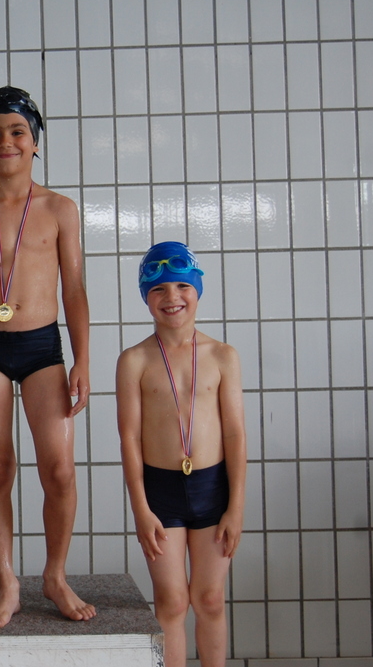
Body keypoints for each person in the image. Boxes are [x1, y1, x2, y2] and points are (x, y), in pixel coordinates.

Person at [0, 86, 94, 626]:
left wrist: (82, 360)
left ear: (35, 142)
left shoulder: (59, 209)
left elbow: (74, 290)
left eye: (17, 132)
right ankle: (7, 583)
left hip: (41, 347)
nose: (5, 141)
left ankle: (55, 575)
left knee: (59, 471)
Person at [116, 241, 245, 667]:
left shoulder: (223, 356)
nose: (171, 297)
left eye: (181, 286)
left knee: (209, 598)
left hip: (213, 489)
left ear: (197, 290)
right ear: (146, 297)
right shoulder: (134, 360)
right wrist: (141, 509)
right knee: (171, 600)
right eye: (158, 289)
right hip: (160, 492)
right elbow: (129, 439)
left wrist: (236, 508)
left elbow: (235, 435)